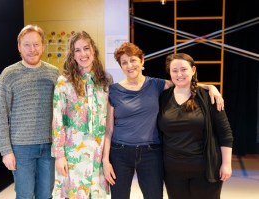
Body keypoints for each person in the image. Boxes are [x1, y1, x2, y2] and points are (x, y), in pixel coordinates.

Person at [102, 42, 224, 199]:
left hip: (151, 153)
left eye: (133, 60)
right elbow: (109, 129)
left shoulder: (156, 84)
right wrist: (105, 160)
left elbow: (184, 83)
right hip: (120, 153)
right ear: (120, 66)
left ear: (142, 61)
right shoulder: (114, 91)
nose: (129, 65)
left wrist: (210, 87)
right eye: (124, 62)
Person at [0, 24, 60, 199]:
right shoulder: (8, 75)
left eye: (36, 44)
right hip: (21, 148)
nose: (32, 49)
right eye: (27, 45)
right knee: (24, 195)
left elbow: (61, 111)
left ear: (43, 46)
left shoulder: (54, 74)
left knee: (46, 195)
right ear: (19, 47)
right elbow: (0, 115)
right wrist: (6, 151)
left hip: (49, 146)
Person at [158, 53, 233, 199]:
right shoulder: (163, 97)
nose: (179, 74)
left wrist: (226, 164)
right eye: (174, 70)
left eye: (184, 69)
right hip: (173, 172)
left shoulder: (209, 96)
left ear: (193, 70)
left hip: (205, 170)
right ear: (170, 73)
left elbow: (225, 133)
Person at [51, 31, 112, 199]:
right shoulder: (64, 81)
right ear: (72, 54)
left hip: (99, 152)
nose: (83, 54)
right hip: (73, 153)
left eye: (86, 48)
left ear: (93, 50)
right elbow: (57, 121)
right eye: (77, 50)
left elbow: (109, 121)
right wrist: (59, 156)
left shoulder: (106, 80)